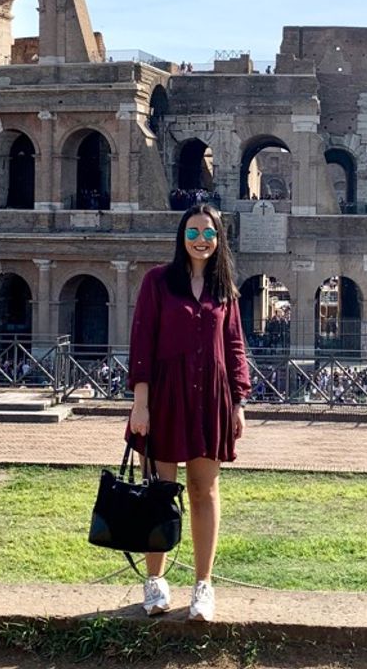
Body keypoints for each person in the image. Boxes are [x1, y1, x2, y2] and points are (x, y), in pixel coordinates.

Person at [128, 203, 250, 623]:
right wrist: (139, 404)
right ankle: (156, 581)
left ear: (219, 239)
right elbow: (142, 342)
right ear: (182, 236)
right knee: (160, 492)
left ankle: (203, 585)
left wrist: (239, 401)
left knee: (205, 491)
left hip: (210, 398)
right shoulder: (157, 282)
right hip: (165, 396)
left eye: (209, 233)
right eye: (194, 231)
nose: (201, 240)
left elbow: (235, 348)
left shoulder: (225, 291)